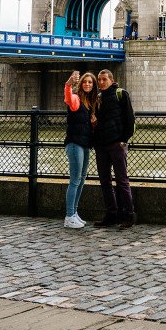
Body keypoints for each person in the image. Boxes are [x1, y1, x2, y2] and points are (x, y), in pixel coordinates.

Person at [92, 69, 136, 230]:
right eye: (99, 80)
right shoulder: (98, 97)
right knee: (105, 181)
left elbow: (130, 119)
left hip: (116, 144)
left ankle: (128, 215)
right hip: (101, 145)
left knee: (122, 180)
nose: (101, 82)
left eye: (104, 79)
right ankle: (111, 214)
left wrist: (123, 141)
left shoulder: (121, 94)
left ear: (111, 80)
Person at [63, 70, 98, 229]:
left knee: (82, 178)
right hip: (75, 143)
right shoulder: (76, 99)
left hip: (84, 144)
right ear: (81, 84)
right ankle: (69, 216)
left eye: (90, 82)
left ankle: (74, 213)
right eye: (85, 82)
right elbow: (68, 98)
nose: (88, 84)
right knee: (75, 180)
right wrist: (69, 83)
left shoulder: (90, 104)